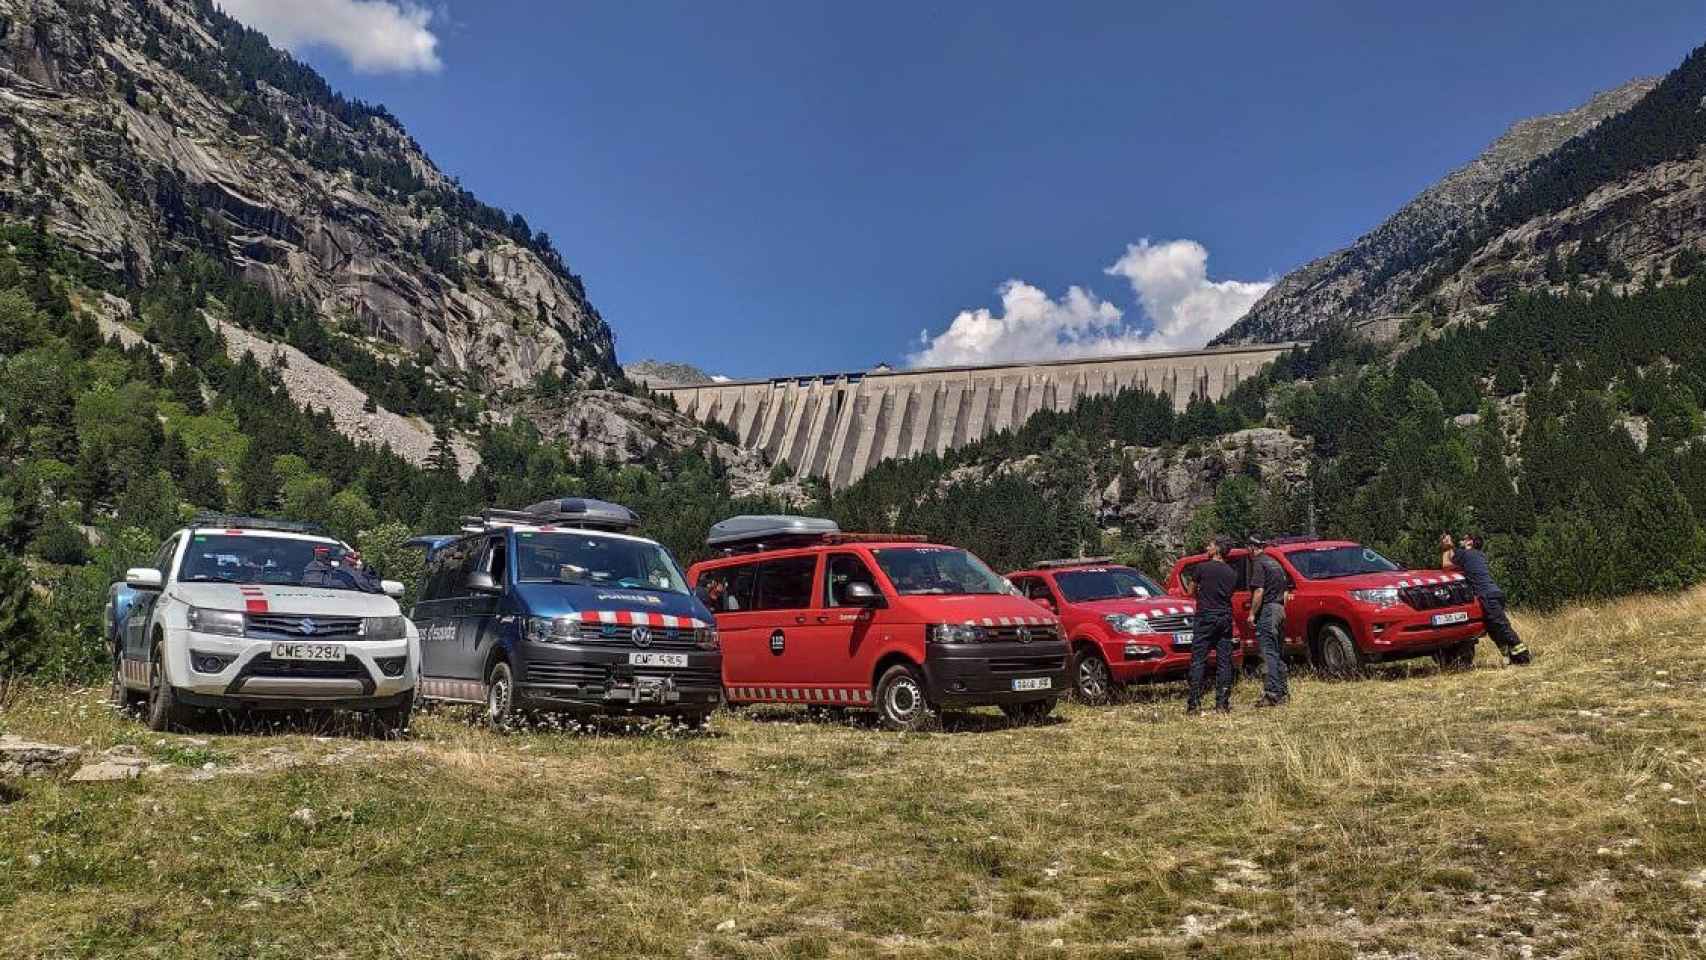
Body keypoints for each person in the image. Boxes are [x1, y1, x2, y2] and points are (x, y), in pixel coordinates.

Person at [1440, 532, 1531, 665]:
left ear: (1470, 542)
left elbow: (1446, 565)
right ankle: (1511, 657)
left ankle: (1524, 657)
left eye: (1464, 539)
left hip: (1487, 596)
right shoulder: (1478, 555)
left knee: (1502, 627)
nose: (1461, 541)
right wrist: (1451, 547)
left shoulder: (1466, 554)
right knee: (1493, 629)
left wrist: (1446, 548)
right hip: (1493, 594)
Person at [1186, 536, 1239, 714]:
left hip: (1205, 617)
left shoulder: (1202, 568)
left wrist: (1202, 597)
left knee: (1198, 660)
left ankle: (1194, 703)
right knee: (1225, 661)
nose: (1207, 547)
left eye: (1210, 545)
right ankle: (1222, 703)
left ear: (1216, 549)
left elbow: (1190, 591)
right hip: (1224, 618)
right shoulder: (1232, 573)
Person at [1247, 537, 1290, 707]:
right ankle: (1283, 692)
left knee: (1268, 652)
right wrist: (1280, 609)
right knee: (1277, 653)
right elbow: (1286, 591)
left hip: (1268, 610)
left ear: (1251, 548)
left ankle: (1272, 694)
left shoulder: (1258, 563)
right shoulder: (1275, 563)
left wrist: (1252, 613)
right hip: (1279, 609)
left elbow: (1259, 590)